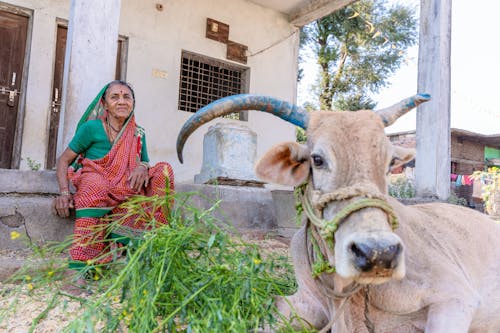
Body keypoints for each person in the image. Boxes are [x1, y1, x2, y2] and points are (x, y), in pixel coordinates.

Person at [54, 80, 174, 275]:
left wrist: (143, 167)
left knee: (164, 171)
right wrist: (64, 192)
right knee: (95, 185)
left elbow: (144, 161)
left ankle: (159, 238)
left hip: (127, 187)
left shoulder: (138, 133)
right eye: (115, 97)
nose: (121, 101)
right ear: (104, 104)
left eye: (127, 97)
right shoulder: (91, 128)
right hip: (96, 180)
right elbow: (63, 161)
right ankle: (80, 267)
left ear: (133, 103)